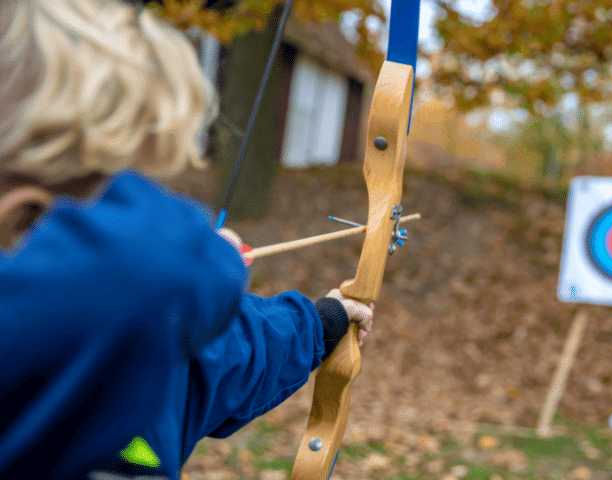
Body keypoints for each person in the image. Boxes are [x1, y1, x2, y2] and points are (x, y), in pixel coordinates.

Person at [0, 0, 373, 478]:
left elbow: (230, 352)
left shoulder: (136, 338)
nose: (144, 210)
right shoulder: (134, 291)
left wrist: (322, 321)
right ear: (21, 216)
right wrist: (212, 258)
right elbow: (166, 271)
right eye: (115, 192)